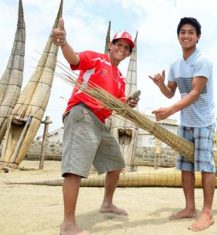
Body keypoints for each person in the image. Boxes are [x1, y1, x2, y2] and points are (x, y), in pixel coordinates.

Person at [52, 18, 138, 235]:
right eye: (119, 44)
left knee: (116, 164)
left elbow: (117, 104)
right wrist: (63, 43)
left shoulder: (119, 78)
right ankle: (68, 224)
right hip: (82, 114)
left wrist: (127, 102)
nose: (122, 49)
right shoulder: (97, 59)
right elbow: (74, 59)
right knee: (75, 168)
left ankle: (107, 203)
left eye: (126, 47)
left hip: (100, 122)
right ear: (110, 44)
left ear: (128, 53)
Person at [149, 17, 216, 232]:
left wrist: (169, 111)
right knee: (186, 167)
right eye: (183, 32)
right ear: (178, 36)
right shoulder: (175, 64)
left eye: (191, 32)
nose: (186, 36)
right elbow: (170, 93)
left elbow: (195, 92)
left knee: (205, 166)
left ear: (198, 37)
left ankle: (207, 212)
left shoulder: (202, 60)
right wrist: (161, 85)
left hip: (203, 122)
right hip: (185, 122)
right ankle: (189, 207)